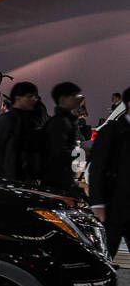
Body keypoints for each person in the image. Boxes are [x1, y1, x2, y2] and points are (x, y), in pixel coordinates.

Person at [89, 88, 130, 253]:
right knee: (106, 254)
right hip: (113, 207)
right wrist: (97, 203)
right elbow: (97, 168)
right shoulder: (111, 131)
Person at [0, 82, 45, 181]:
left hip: (23, 179)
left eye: (35, 97)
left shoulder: (30, 120)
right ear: (18, 98)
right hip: (6, 180)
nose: (33, 100)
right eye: (29, 96)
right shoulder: (5, 120)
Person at [40, 81, 84, 196]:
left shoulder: (66, 120)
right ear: (62, 99)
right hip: (57, 181)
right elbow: (58, 153)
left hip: (61, 179)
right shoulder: (60, 122)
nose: (77, 99)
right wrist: (82, 153)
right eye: (74, 96)